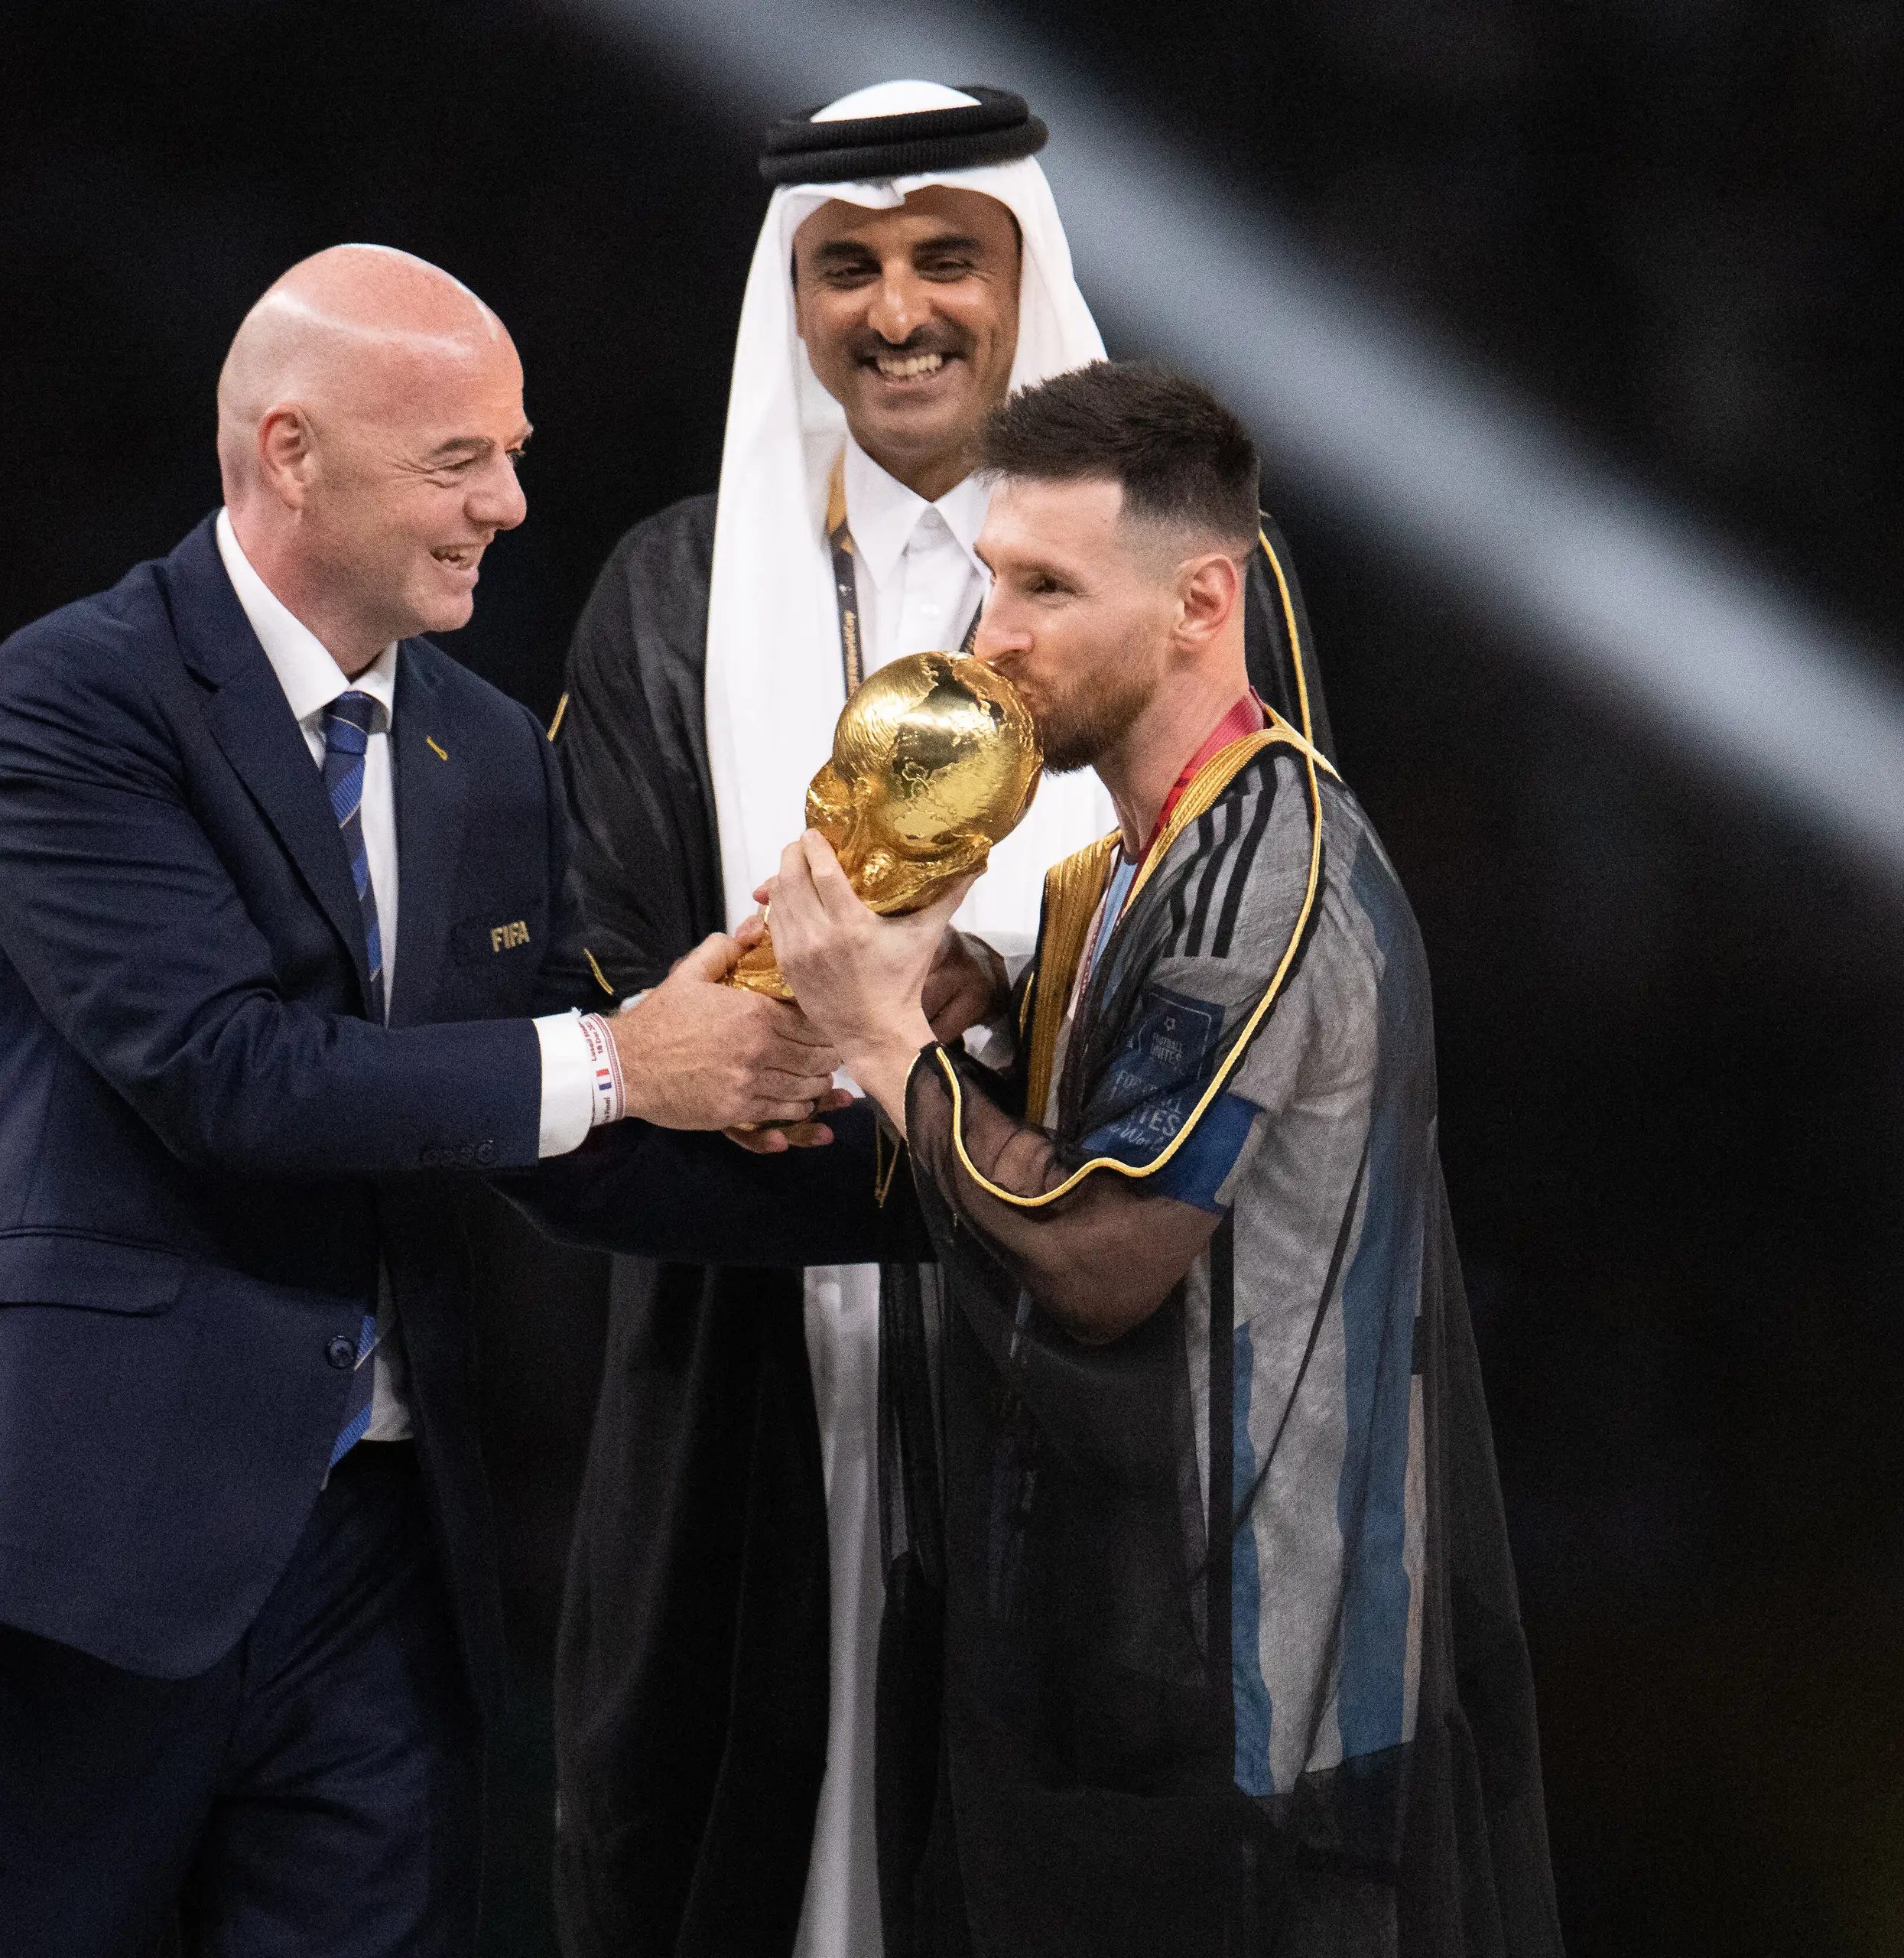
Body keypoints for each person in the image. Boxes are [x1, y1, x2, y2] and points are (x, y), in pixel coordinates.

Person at [0, 244, 876, 1958]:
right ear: (292, 452)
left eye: (515, 453)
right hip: (78, 1548)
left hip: (383, 1571)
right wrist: (627, 1056)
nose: (511, 505)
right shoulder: (73, 698)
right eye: (458, 460)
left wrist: (949, 1178)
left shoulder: (487, 747)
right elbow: (232, 1075)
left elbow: (546, 1131)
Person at [548, 80, 1333, 1958]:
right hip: (748, 1363)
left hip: (1083, 1360)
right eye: (850, 267)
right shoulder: (669, 595)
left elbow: (1246, 958)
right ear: (793, 297)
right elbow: (606, 1003)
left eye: (944, 258)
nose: (898, 310)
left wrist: (944, 1022)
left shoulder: (1182, 591)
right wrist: (737, 1050)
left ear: (1022, 271)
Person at [761, 360, 1561, 1953]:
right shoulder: (1132, 868)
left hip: (1260, 1745)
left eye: (1048, 588)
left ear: (1203, 601)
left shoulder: (1273, 867)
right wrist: (990, 1016)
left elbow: (1104, 1254)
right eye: (996, 578)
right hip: (1129, 1702)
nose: (993, 635)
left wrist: (883, 1038)